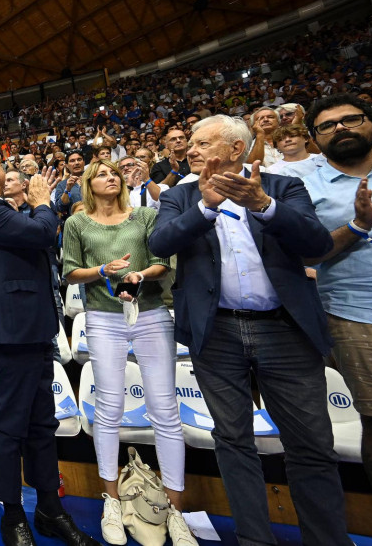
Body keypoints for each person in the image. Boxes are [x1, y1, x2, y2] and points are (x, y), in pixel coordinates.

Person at [148, 115, 352, 545]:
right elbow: (161, 244)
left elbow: (316, 245)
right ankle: (255, 540)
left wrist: (264, 207)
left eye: (203, 143)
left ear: (236, 149)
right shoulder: (181, 196)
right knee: (233, 442)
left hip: (285, 331)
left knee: (311, 446)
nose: (191, 150)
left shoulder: (281, 188)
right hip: (215, 333)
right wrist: (205, 208)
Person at [0, 151, 97, 546]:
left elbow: (34, 239)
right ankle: (12, 515)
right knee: (8, 428)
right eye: (2, 167)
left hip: (33, 328)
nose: (7, 173)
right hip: (5, 333)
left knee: (42, 424)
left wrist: (36, 208)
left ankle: (50, 509)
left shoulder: (0, 210)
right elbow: (41, 232)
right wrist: (42, 203)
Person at [61, 160, 196, 546]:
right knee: (108, 410)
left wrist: (138, 275)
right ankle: (112, 501)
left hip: (151, 314)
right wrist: (104, 270)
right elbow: (70, 271)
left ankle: (175, 511)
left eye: (115, 173)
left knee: (165, 410)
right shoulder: (77, 223)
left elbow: (162, 263)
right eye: (102, 173)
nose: (111, 176)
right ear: (89, 183)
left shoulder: (146, 215)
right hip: (103, 318)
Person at [300, 94, 372, 501]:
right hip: (358, 314)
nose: (341, 128)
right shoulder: (305, 185)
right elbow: (308, 252)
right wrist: (358, 226)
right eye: (328, 125)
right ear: (315, 138)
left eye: (351, 119)